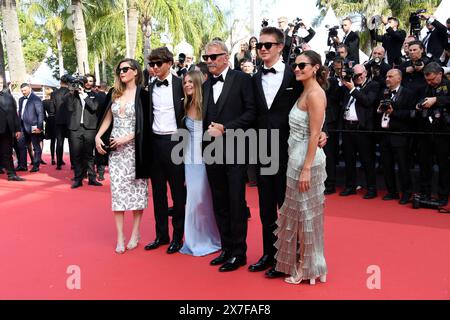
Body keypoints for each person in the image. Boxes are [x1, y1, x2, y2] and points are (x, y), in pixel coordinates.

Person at [274, 50, 327, 285]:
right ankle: (312, 265)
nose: (297, 69)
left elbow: (315, 134)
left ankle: (308, 269)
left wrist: (306, 168)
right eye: (295, 65)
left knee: (306, 215)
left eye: (302, 65)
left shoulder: (315, 94)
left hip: (307, 161)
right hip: (296, 158)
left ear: (315, 67)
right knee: (301, 215)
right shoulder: (304, 90)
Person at [202, 40, 256, 272]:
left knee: (235, 202)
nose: (209, 62)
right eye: (206, 58)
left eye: (213, 57)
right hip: (211, 152)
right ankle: (226, 248)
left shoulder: (243, 80)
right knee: (219, 202)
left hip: (235, 149)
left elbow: (252, 113)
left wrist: (226, 128)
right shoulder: (205, 85)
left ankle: (239, 252)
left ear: (225, 57)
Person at [95, 58, 151, 254]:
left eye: (126, 69)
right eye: (120, 69)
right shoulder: (114, 93)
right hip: (116, 151)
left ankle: (135, 232)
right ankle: (120, 235)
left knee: (137, 192)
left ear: (136, 72)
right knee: (117, 192)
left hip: (137, 150)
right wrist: (98, 136)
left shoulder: (144, 95)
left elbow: (147, 125)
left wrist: (129, 137)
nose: (122, 72)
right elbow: (108, 117)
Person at [144, 47, 186, 254]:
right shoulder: (149, 87)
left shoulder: (181, 85)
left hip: (176, 142)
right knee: (158, 193)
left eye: (158, 64)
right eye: (151, 64)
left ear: (169, 63)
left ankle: (178, 237)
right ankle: (161, 235)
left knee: (178, 194)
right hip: (155, 143)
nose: (154, 68)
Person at [179, 70, 221, 257]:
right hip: (189, 158)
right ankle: (194, 240)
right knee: (192, 199)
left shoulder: (206, 105)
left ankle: (210, 238)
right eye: (185, 82)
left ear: (197, 83)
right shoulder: (185, 104)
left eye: (190, 82)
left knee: (203, 200)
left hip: (205, 157)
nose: (187, 85)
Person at [339, 64, 380, 199]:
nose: (357, 77)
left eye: (359, 74)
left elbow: (367, 101)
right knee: (349, 159)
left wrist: (352, 89)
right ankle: (350, 186)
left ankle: (371, 188)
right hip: (347, 128)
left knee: (367, 160)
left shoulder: (372, 85)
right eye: (355, 75)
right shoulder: (348, 86)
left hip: (362, 129)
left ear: (365, 73)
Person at [376, 69, 416, 204]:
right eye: (386, 76)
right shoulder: (383, 92)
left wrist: (394, 112)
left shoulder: (408, 93)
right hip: (384, 134)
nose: (387, 78)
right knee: (387, 165)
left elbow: (411, 114)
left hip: (400, 134)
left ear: (399, 79)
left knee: (403, 166)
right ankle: (391, 192)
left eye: (390, 76)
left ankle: (406, 193)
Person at [415, 62, 450, 206]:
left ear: (440, 74)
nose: (430, 82)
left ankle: (443, 196)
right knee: (425, 165)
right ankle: (425, 193)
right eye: (427, 80)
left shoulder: (448, 85)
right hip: (426, 131)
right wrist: (418, 105)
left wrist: (436, 100)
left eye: (432, 79)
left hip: (444, 132)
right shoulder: (425, 88)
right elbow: (418, 101)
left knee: (444, 166)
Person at [65, 76, 103, 188]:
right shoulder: (72, 95)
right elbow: (68, 107)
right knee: (76, 155)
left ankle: (92, 178)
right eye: (85, 81)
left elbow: (94, 107)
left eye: (90, 81)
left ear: (93, 83)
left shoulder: (96, 95)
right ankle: (78, 179)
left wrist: (84, 95)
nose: (87, 83)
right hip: (75, 128)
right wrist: (72, 91)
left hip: (90, 128)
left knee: (89, 155)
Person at [0, 78, 25, 182]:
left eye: (1, 83)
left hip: (7, 129)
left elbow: (14, 114)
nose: (0, 84)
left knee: (7, 152)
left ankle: (12, 174)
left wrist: (18, 129)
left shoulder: (8, 96)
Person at [17, 83, 44, 173]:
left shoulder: (36, 99)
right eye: (22, 91)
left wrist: (39, 127)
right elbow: (20, 113)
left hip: (34, 126)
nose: (23, 92)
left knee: (36, 147)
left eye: (25, 90)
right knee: (21, 146)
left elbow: (40, 113)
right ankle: (23, 166)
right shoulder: (21, 100)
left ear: (29, 89)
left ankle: (36, 166)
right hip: (22, 127)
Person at [52, 76, 71, 170]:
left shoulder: (54, 93)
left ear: (60, 82)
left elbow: (52, 108)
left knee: (59, 142)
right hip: (70, 120)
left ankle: (59, 163)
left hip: (58, 120)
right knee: (72, 143)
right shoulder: (70, 92)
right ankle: (73, 164)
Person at [43, 87, 57, 165]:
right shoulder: (56, 101)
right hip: (57, 120)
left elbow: (43, 114)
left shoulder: (44, 102)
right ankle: (59, 159)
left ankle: (52, 158)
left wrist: (46, 120)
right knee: (59, 140)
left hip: (50, 120)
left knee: (53, 141)